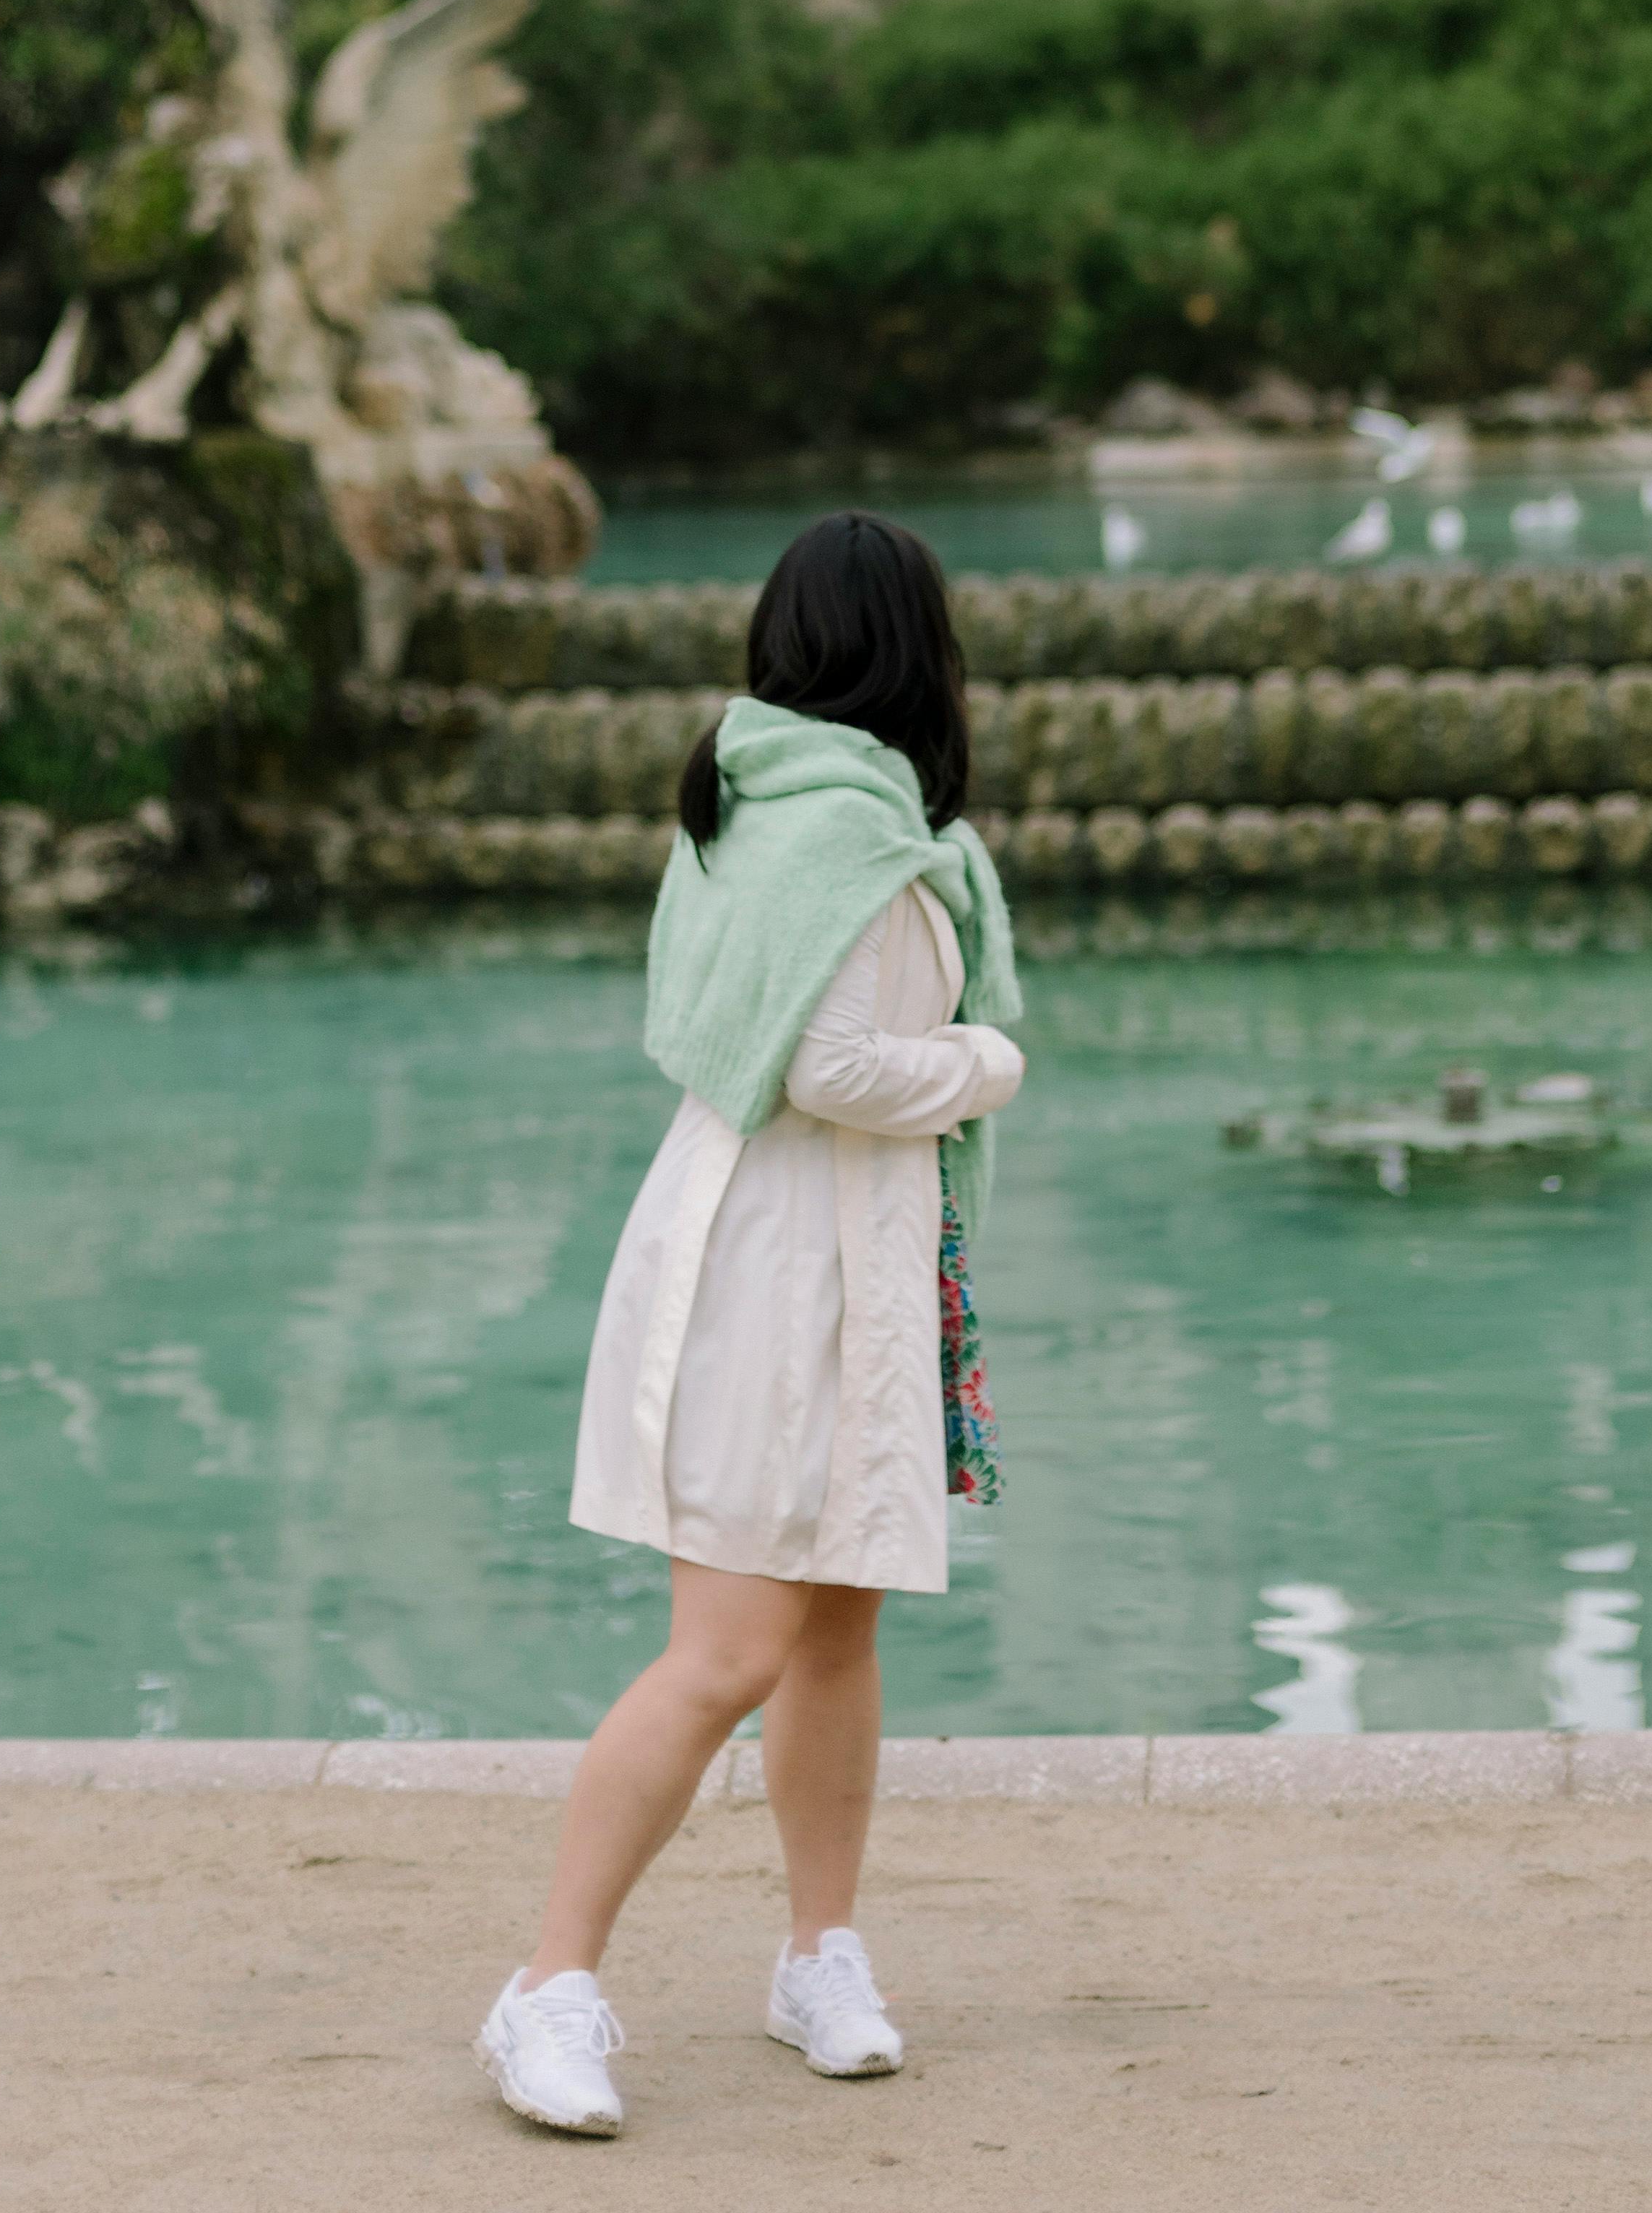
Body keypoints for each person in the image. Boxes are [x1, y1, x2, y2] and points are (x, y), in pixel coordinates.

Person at [475, 512, 1025, 2138]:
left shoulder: (775, 795)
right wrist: (991, 1060)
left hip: (838, 1251)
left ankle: (818, 1952)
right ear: (910, 647)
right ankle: (543, 1987)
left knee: (841, 1626)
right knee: (725, 1649)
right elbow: (830, 1068)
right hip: (776, 1258)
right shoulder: (833, 829)